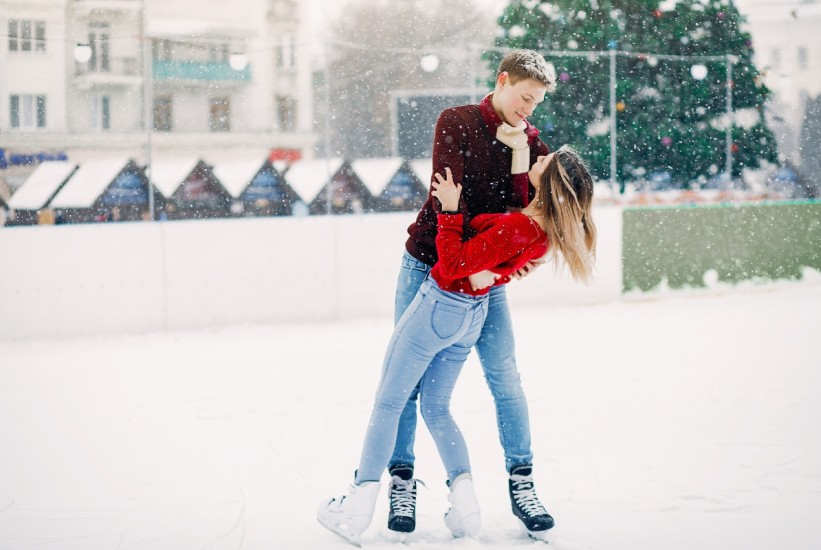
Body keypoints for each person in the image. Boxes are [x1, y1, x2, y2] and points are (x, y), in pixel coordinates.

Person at [317, 146, 597, 546]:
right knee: (435, 406)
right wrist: (490, 272)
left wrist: (449, 210)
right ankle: (465, 507)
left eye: (544, 163)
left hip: (439, 306)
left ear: (550, 182)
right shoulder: (539, 234)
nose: (538, 159)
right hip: (471, 316)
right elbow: (491, 261)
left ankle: (356, 507)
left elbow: (451, 264)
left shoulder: (519, 228)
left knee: (389, 402)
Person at [387, 49, 560, 538]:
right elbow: (452, 198)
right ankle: (403, 480)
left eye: (537, 103)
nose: (529, 111)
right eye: (525, 97)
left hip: (483, 276)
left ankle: (522, 481)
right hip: (427, 263)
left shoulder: (530, 143)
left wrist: (515, 261)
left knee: (504, 375)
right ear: (503, 81)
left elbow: (528, 217)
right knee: (407, 380)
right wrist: (484, 257)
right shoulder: (457, 122)